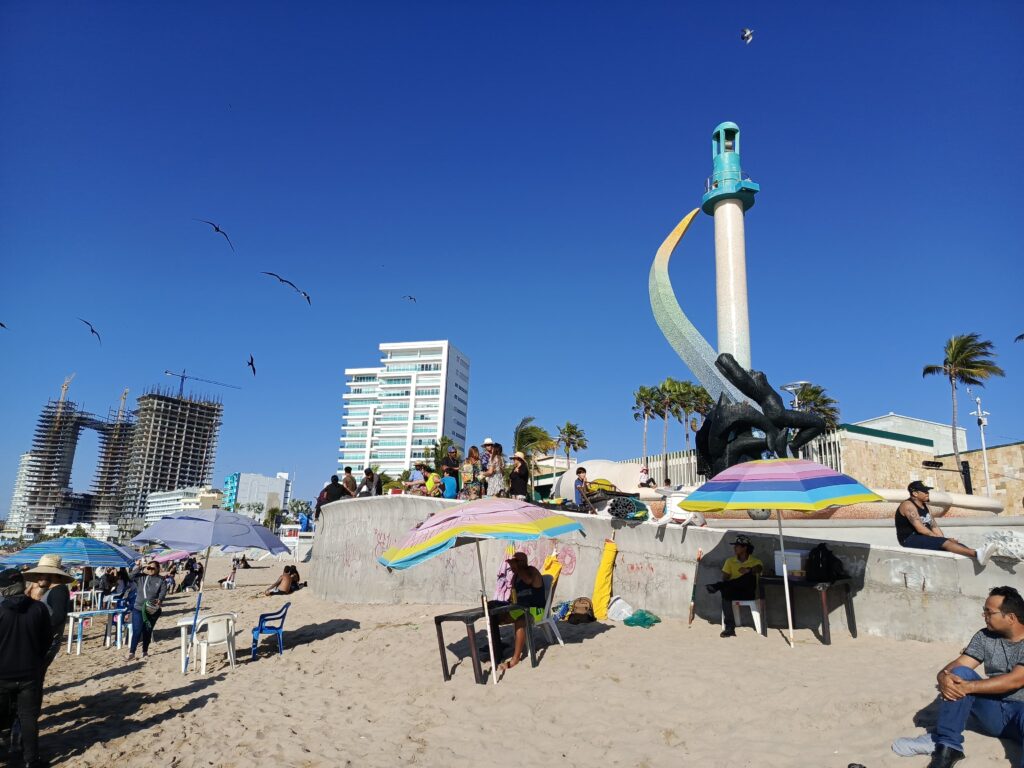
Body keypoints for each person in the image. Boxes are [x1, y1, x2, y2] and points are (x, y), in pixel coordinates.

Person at [891, 586, 1024, 767]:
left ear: (1011, 618)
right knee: (959, 674)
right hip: (991, 714)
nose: (984, 616)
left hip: (1020, 714)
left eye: (989, 612)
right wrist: (943, 678)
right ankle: (947, 746)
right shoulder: (985, 636)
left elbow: (1015, 680)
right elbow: (957, 666)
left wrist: (968, 687)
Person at [0, 568, 52, 768]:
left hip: (2, 674)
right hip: (30, 672)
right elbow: (46, 640)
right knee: (28, 718)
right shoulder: (39, 609)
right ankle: (31, 760)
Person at [896, 481, 997, 565]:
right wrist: (942, 540)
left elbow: (933, 525)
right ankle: (976, 554)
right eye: (924, 491)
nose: (927, 493)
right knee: (944, 543)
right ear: (915, 493)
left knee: (954, 544)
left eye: (927, 491)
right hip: (909, 539)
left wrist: (942, 539)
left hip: (922, 537)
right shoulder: (908, 505)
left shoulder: (925, 506)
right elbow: (920, 528)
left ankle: (979, 554)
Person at [487, 552, 546, 673]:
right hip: (520, 608)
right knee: (494, 616)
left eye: (517, 562)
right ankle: (497, 648)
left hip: (536, 609)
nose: (513, 566)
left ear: (523, 562)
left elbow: (529, 580)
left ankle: (515, 659)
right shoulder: (516, 576)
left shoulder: (532, 571)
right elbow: (515, 595)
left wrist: (517, 568)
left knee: (520, 620)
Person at [22, 554, 73, 677]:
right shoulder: (52, 590)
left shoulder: (58, 591)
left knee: (34, 676)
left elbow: (58, 617)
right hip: (44, 641)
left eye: (41, 573)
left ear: (54, 574)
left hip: (46, 643)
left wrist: (36, 630)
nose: (38, 577)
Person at [705, 534, 763, 638]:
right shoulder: (730, 561)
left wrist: (748, 570)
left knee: (748, 577)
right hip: (734, 591)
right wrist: (726, 578)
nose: (734, 548)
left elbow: (759, 568)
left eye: (737, 546)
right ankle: (730, 628)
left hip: (748, 592)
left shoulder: (755, 561)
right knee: (725, 590)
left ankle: (718, 586)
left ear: (745, 547)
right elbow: (725, 578)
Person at [127, 561, 169, 660]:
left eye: (153, 568)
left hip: (151, 609)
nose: (150, 570)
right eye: (149, 568)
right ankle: (131, 652)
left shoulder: (161, 580)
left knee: (147, 631)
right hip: (138, 608)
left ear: (158, 569)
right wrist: (140, 567)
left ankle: (145, 651)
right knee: (137, 631)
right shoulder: (141, 577)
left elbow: (163, 592)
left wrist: (160, 599)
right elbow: (130, 577)